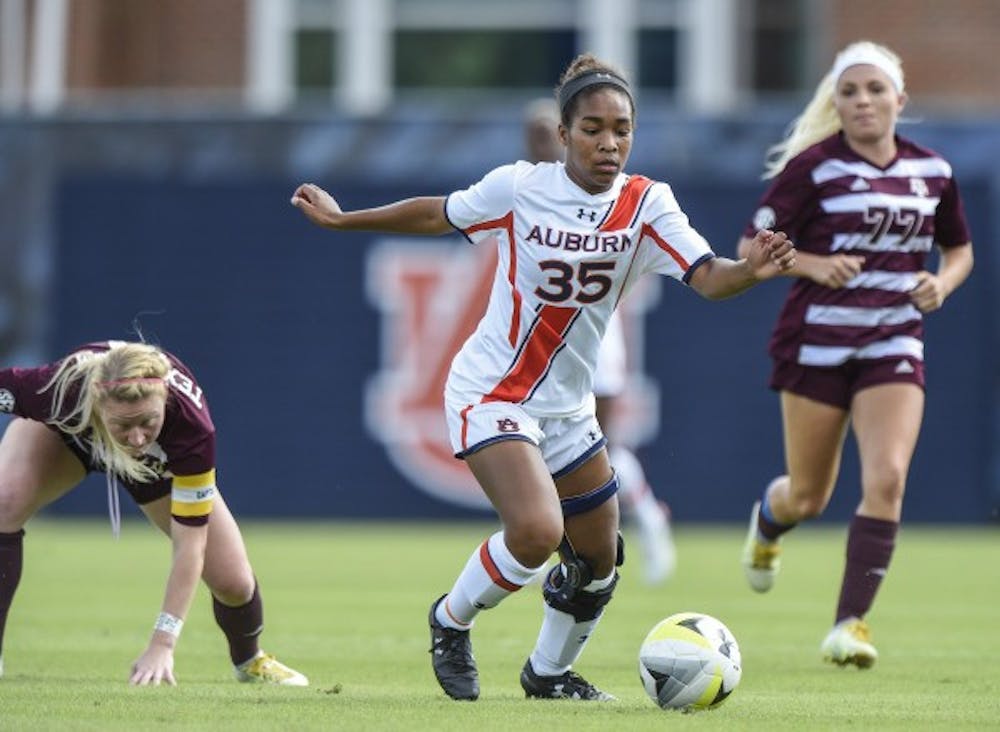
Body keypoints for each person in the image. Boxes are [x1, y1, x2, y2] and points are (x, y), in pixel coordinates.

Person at [292, 53, 795, 701]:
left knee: (599, 559)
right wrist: (343, 219)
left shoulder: (648, 204)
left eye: (622, 128)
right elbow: (435, 213)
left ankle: (548, 676)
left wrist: (750, 270)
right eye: (592, 128)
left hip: (566, 410)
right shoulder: (521, 187)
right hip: (491, 391)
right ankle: (450, 619)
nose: (608, 142)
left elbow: (709, 278)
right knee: (536, 532)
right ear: (562, 135)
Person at [737, 40, 974, 669]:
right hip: (817, 342)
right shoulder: (814, 168)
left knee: (888, 478)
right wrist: (814, 262)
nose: (862, 100)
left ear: (900, 99)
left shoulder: (934, 172)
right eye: (849, 91)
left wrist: (941, 284)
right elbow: (752, 246)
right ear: (835, 103)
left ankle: (851, 624)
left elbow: (959, 250)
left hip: (892, 341)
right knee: (808, 497)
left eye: (874, 89)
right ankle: (769, 517)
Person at [0, 340, 309, 686]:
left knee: (233, 582)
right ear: (99, 404)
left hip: (154, 468)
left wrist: (163, 643)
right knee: (4, 501)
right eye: (123, 424)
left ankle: (249, 659)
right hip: (71, 437)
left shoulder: (191, 427)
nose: (136, 437)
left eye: (148, 421)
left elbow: (190, 544)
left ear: (164, 400)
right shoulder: (58, 388)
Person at [524, 97, 677, 586]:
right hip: (535, 346)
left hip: (592, 341)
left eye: (545, 132)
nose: (540, 142)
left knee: (597, 447)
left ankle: (648, 520)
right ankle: (538, 538)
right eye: (533, 135)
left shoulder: (608, 189)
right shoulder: (525, 188)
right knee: (531, 446)